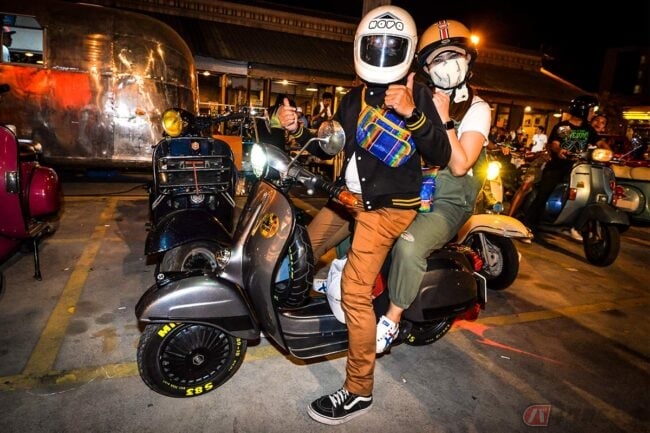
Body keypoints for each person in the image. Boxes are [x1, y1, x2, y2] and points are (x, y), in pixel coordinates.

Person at [277, 5, 451, 425]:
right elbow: (329, 144)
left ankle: (359, 390)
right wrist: (297, 127)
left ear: (407, 50)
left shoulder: (416, 94)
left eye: (392, 45)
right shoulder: (352, 98)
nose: (383, 52)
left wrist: (412, 114)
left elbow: (442, 153)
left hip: (388, 208)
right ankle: (296, 313)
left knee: (355, 290)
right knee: (300, 247)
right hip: (349, 198)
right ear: (361, 47)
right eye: (375, 45)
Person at [375, 19, 491, 353]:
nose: (446, 64)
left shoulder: (477, 108)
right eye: (437, 58)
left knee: (408, 247)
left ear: (468, 59)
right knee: (363, 219)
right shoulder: (421, 99)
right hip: (414, 192)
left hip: (448, 202)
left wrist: (446, 120)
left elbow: (461, 165)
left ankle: (391, 321)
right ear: (426, 68)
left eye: (453, 54)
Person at [522, 95, 603, 241]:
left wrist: (608, 150)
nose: (593, 114)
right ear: (582, 110)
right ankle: (527, 227)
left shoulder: (588, 128)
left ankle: (573, 226)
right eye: (591, 111)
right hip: (558, 167)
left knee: (586, 194)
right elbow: (555, 144)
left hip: (579, 169)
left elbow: (600, 142)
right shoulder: (564, 127)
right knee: (544, 194)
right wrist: (559, 151)